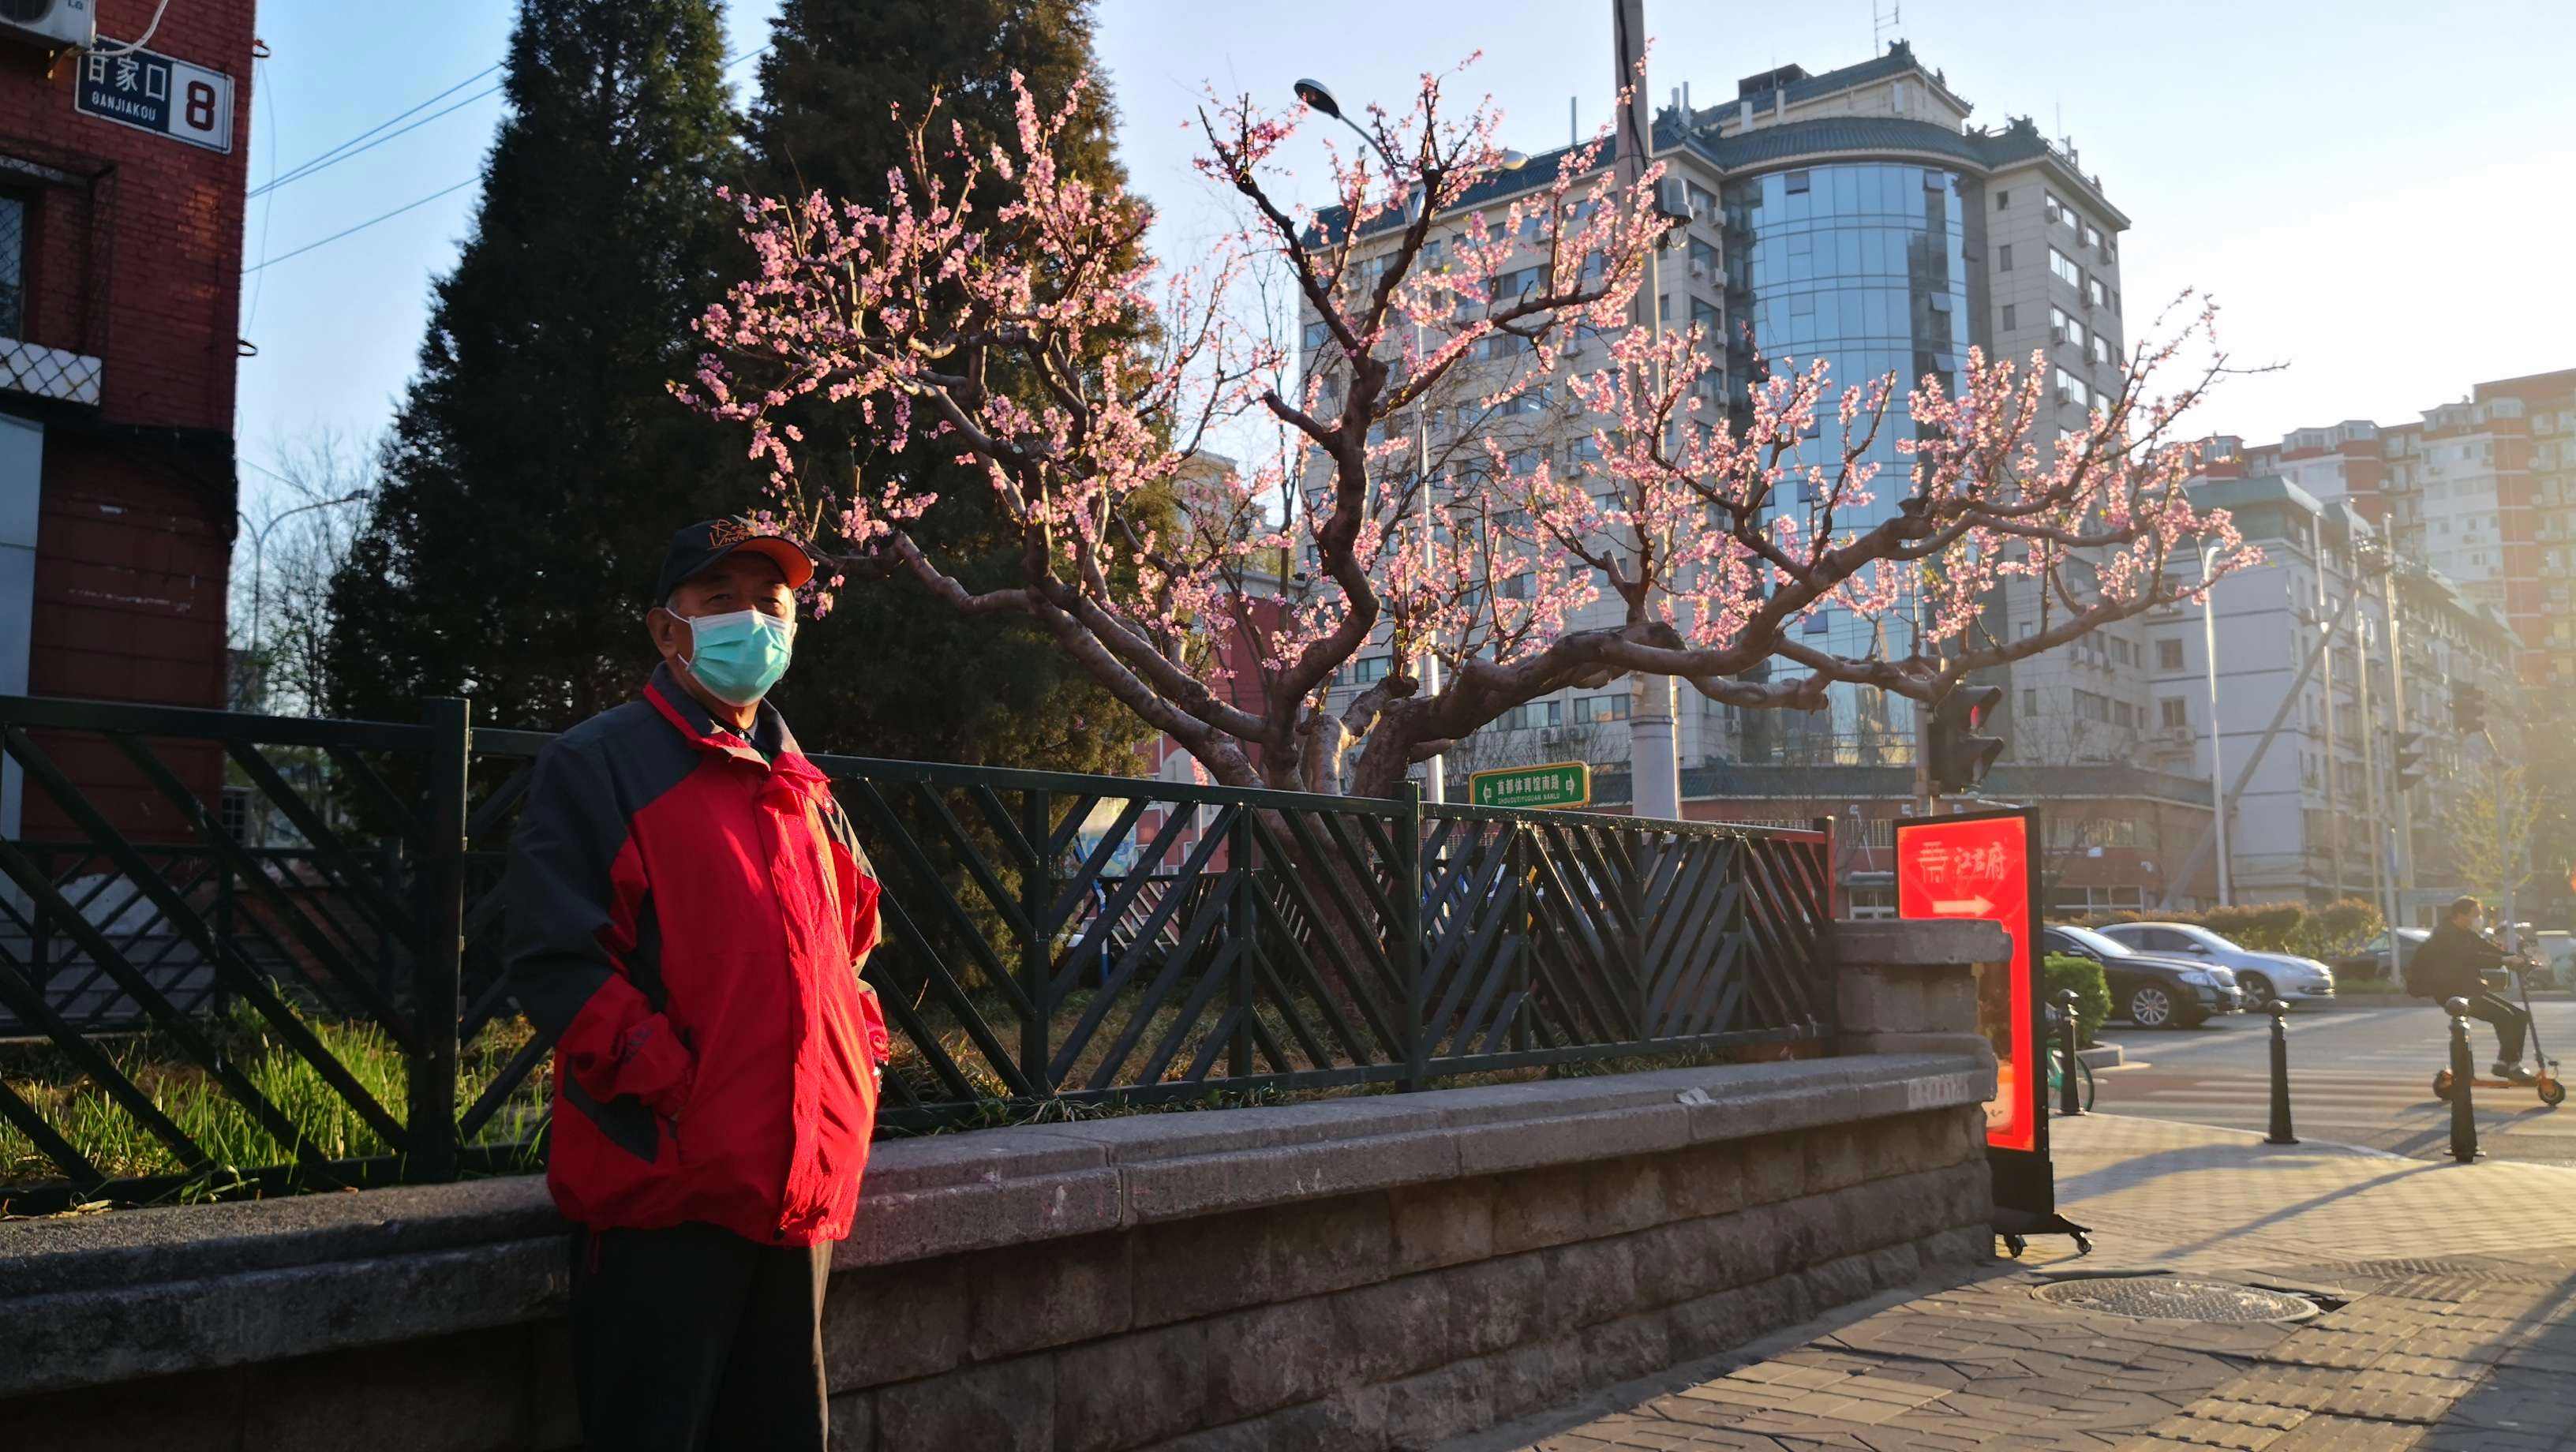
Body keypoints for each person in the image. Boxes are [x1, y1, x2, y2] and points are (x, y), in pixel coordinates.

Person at [504, 517, 891, 1451]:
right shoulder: (599, 764)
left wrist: (858, 1066)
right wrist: (673, 1085)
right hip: (665, 1192)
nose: (752, 622)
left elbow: (854, 947)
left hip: (798, 1191)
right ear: (665, 629)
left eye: (773, 603)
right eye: (722, 601)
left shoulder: (806, 786)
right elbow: (557, 955)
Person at [2410, 895, 2534, 1084]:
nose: (2479, 918)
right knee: (2505, 1017)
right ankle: (2511, 1066)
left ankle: (2505, 1063)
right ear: (2460, 915)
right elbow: (2470, 957)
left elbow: (2487, 949)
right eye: (2476, 914)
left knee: (2519, 1016)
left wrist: (2515, 958)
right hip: (2454, 994)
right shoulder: (2445, 935)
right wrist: (2502, 961)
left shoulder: (2466, 934)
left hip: (2469, 988)